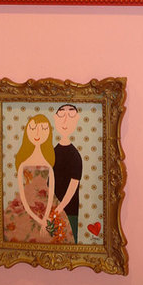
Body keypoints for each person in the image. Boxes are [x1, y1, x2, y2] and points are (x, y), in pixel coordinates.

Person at [4, 114, 74, 244]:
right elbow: (23, 197)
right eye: (32, 129)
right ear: (27, 132)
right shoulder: (23, 164)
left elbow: (51, 190)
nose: (37, 133)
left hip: (46, 202)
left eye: (43, 129)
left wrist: (46, 217)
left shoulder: (49, 164)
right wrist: (40, 220)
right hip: (26, 202)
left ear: (48, 133)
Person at [53, 104, 83, 243]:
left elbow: (73, 186)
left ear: (76, 120)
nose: (65, 121)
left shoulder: (74, 155)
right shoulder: (52, 152)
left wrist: (58, 209)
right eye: (61, 115)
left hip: (68, 211)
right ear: (55, 119)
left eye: (70, 116)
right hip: (51, 208)